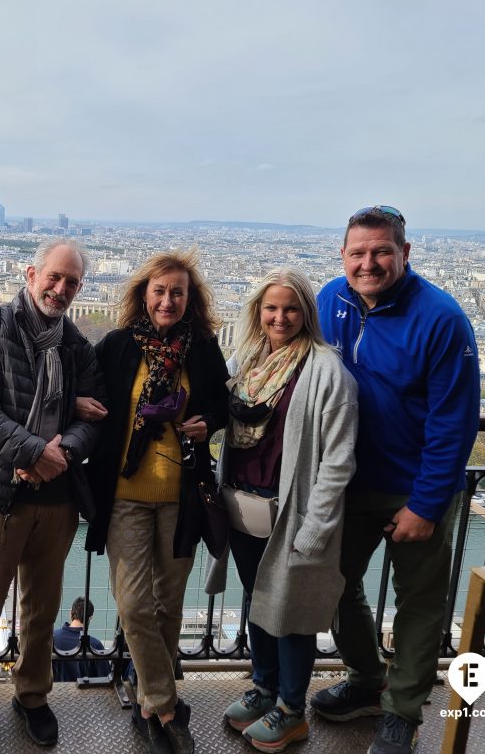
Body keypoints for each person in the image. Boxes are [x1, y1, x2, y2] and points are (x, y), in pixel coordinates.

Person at [311, 206, 480, 754]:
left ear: (405, 253)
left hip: (413, 485)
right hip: (347, 480)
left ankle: (402, 712)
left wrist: (426, 506)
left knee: (420, 603)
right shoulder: (330, 299)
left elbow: (454, 422)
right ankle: (367, 678)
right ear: (342, 255)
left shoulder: (442, 319)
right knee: (329, 585)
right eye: (358, 252)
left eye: (381, 251)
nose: (368, 263)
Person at [0, 238, 104, 754]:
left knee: (42, 609)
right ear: (31, 273)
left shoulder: (76, 346)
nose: (61, 289)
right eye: (55, 278)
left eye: (72, 282)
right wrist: (36, 451)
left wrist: (57, 456)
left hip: (54, 494)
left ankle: (32, 695)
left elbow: (95, 417)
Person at [206, 268, 358, 753]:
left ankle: (292, 710)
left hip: (293, 513)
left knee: (292, 612)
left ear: (306, 314)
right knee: (258, 600)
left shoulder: (327, 372)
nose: (280, 317)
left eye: (290, 309)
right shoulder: (247, 360)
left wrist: (317, 527)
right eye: (271, 308)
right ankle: (265, 687)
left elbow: (338, 459)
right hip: (245, 506)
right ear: (257, 312)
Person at [84, 249, 229, 754]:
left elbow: (223, 405)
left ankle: (148, 705)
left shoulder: (204, 350)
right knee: (134, 603)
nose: (168, 300)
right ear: (144, 295)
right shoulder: (118, 346)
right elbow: (93, 397)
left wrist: (208, 421)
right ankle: (167, 705)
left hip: (181, 494)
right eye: (160, 291)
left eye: (177, 293)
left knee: (168, 606)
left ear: (190, 300)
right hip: (124, 492)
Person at [52, 596, 109, 682]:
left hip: (55, 691)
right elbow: (106, 677)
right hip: (86, 692)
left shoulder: (53, 638)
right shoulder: (95, 645)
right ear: (90, 618)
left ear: (70, 613)